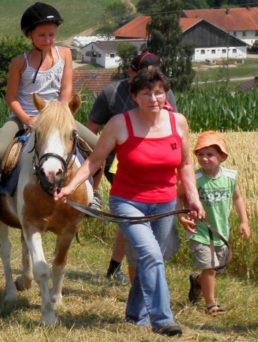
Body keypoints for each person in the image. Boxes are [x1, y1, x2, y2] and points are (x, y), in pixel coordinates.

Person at [55, 67, 204, 337]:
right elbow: (94, 161)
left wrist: (192, 197)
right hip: (128, 202)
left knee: (151, 259)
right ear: (135, 96)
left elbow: (184, 164)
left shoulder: (178, 123)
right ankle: (162, 319)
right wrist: (70, 187)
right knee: (151, 256)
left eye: (159, 92)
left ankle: (136, 315)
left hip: (165, 202)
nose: (154, 98)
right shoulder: (119, 124)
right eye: (146, 93)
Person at [0, 2, 99, 223]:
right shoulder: (20, 62)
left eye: (51, 34)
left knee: (98, 148)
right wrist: (28, 119)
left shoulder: (65, 54)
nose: (48, 40)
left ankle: (94, 196)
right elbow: (11, 98)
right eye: (42, 36)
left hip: (58, 117)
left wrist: (59, 116)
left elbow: (66, 90)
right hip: (25, 117)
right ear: (30, 36)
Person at [86, 51, 178, 286]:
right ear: (130, 73)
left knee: (135, 219)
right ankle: (138, 272)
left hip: (154, 163)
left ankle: (120, 268)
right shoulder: (112, 93)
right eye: (142, 75)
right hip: (119, 162)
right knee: (135, 213)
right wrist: (90, 168)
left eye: (153, 76)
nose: (150, 85)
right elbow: (90, 130)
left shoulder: (165, 95)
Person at [178, 131, 250, 316]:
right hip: (200, 231)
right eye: (200, 154)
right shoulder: (194, 179)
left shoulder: (230, 177)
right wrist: (181, 216)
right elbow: (178, 196)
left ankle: (198, 282)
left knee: (217, 267)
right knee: (209, 267)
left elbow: (238, 198)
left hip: (221, 231)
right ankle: (211, 304)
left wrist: (244, 221)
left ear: (222, 157)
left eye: (210, 154)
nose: (204, 158)